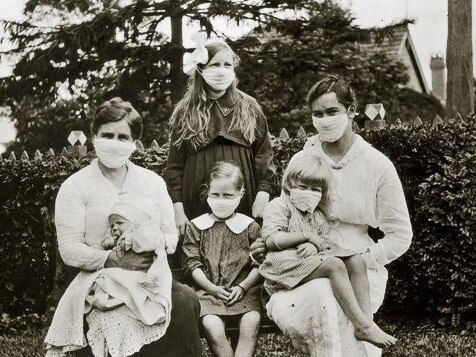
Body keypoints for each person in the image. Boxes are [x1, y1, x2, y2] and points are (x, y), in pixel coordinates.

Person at [251, 75, 412, 357]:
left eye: (332, 112)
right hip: (302, 257)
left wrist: (363, 258)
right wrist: (267, 243)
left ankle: (362, 330)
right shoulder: (305, 156)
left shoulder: (376, 165)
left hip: (358, 262)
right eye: (317, 113)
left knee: (339, 309)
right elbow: (285, 210)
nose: (324, 120)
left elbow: (400, 235)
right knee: (321, 299)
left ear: (351, 112)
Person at [45, 97, 202, 357]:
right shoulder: (76, 186)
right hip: (96, 278)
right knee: (107, 311)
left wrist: (146, 247)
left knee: (184, 299)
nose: (114, 143)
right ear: (94, 136)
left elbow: (170, 234)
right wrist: (111, 259)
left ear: (134, 143)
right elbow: (69, 249)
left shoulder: (151, 181)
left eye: (122, 137)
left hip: (149, 273)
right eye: (107, 135)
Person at [260, 151, 397, 349]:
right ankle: (361, 325)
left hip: (306, 263)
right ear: (289, 185)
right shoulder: (279, 205)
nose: (309, 192)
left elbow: (324, 243)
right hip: (283, 267)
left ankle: (367, 322)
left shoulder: (316, 216)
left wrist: (315, 244)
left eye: (315, 189)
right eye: (303, 187)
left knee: (356, 260)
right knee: (333, 265)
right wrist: (307, 237)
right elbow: (272, 239)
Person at [165, 36, 276, 243]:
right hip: (196, 195)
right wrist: (177, 207)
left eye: (227, 64)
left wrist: (263, 193)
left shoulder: (249, 106)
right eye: (215, 64)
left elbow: (264, 154)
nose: (222, 70)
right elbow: (174, 165)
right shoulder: (185, 111)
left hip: (242, 193)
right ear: (201, 69)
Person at [45, 198, 172, 357]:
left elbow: (151, 242)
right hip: (117, 276)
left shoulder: (143, 234)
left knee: (124, 292)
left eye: (119, 223)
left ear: (135, 223)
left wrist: (132, 236)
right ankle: (104, 299)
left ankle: (115, 302)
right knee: (99, 285)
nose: (114, 228)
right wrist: (109, 243)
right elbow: (104, 254)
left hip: (140, 278)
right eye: (111, 226)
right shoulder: (117, 243)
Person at [182, 161, 262, 357]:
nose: (221, 200)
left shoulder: (249, 226)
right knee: (212, 325)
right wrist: (212, 288)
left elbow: (260, 263)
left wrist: (243, 287)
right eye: (215, 194)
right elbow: (192, 264)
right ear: (207, 192)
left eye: (228, 195)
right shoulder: (196, 226)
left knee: (251, 322)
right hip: (209, 293)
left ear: (240, 193)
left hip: (245, 292)